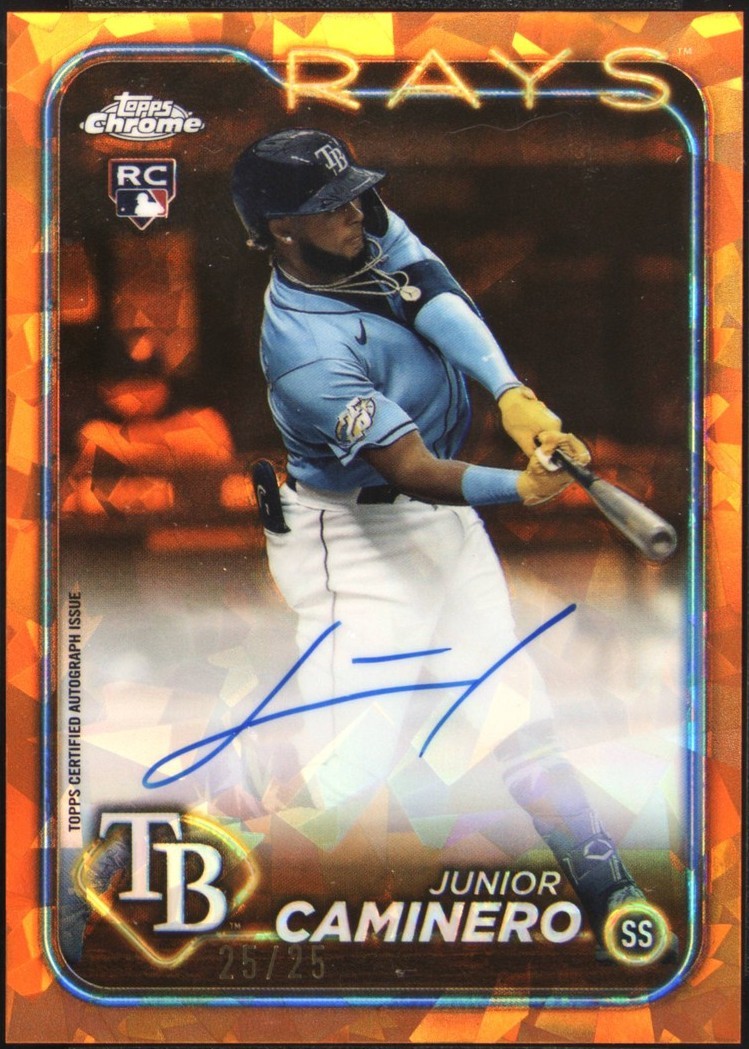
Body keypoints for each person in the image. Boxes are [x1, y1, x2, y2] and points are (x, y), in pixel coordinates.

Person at [231, 127, 667, 962]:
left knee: (513, 703)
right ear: (281, 227)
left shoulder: (361, 231)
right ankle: (169, 835)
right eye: (329, 205)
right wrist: (519, 488)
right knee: (349, 768)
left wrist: (510, 392)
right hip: (353, 535)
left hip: (440, 520)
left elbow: (432, 291)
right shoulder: (301, 347)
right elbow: (411, 468)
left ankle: (605, 884)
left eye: (354, 193)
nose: (355, 211)